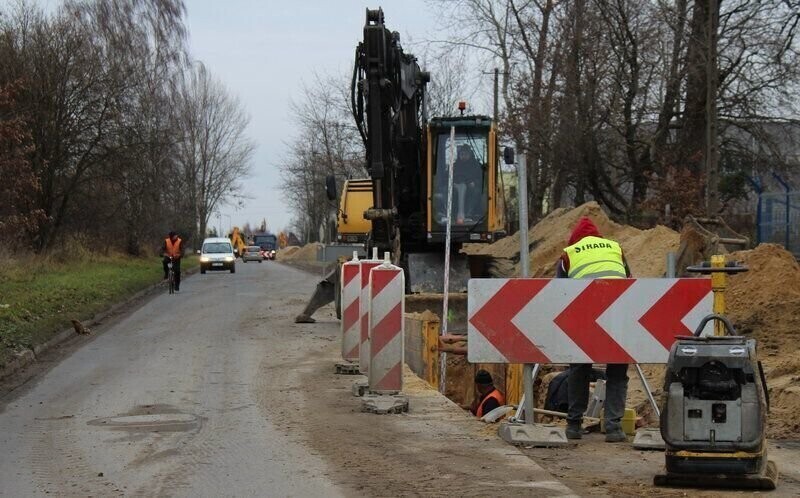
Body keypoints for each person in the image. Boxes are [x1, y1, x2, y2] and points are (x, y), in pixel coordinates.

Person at [556, 216, 632, 442]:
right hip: (617, 313)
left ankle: (573, 425)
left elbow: (559, 292)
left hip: (585, 315)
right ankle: (613, 428)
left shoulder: (569, 253)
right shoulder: (615, 248)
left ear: (575, 239)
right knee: (617, 369)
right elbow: (629, 280)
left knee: (579, 367)